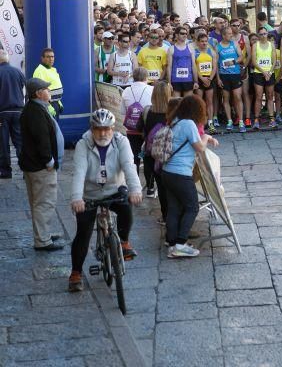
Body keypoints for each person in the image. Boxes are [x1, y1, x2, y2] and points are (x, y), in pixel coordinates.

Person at [68, 109, 142, 292]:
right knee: (83, 235)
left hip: (114, 188)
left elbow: (129, 166)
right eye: (98, 129)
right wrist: (77, 198)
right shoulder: (83, 145)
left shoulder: (121, 142)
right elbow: (79, 172)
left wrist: (136, 189)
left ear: (112, 128)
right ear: (92, 129)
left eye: (107, 129)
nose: (103, 133)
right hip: (90, 193)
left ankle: (124, 241)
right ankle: (76, 273)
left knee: (126, 207)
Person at [20, 78, 64, 251]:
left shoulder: (35, 108)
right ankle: (42, 240)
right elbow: (42, 139)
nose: (49, 91)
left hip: (33, 164)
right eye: (46, 89)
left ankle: (43, 234)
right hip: (40, 167)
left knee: (39, 202)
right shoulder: (36, 112)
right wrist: (49, 161)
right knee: (44, 203)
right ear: (38, 93)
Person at [162, 95, 209, 258]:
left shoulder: (175, 121)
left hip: (167, 171)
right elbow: (200, 147)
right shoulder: (188, 124)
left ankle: (172, 242)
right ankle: (181, 244)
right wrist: (207, 137)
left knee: (174, 209)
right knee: (192, 207)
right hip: (181, 173)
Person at [136, 80, 172, 205]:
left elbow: (138, 128)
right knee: (166, 188)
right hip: (168, 154)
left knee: (160, 187)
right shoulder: (173, 113)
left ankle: (151, 190)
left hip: (150, 153)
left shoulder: (146, 111)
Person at [121, 67, 153, 173]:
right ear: (146, 77)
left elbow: (122, 111)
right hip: (147, 129)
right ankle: (150, 187)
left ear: (133, 77)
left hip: (131, 129)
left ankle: (135, 184)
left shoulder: (126, 91)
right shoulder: (151, 89)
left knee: (134, 156)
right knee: (148, 157)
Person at [0, 50, 25, 178]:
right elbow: (22, 87)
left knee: (3, 143)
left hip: (2, 112)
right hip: (18, 111)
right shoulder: (18, 72)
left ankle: (5, 171)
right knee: (19, 141)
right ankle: (26, 169)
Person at [216, 26, 245, 133]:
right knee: (226, 98)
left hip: (235, 74)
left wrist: (233, 62)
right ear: (223, 35)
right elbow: (216, 64)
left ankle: (241, 120)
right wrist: (218, 79)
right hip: (224, 76)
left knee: (237, 97)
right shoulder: (218, 47)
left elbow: (241, 57)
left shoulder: (234, 44)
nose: (231, 35)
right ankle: (229, 121)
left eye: (231, 33)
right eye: (229, 34)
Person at [252, 27, 277, 129]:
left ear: (267, 34)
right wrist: (264, 72)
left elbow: (274, 61)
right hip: (259, 73)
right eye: (261, 34)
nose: (263, 36)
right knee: (258, 96)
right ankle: (256, 119)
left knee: (270, 96)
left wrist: (269, 72)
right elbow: (254, 61)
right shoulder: (255, 45)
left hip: (269, 73)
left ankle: (272, 119)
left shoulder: (271, 45)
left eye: (265, 34)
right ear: (258, 35)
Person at [194, 33, 217, 133]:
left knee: (209, 101)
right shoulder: (195, 53)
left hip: (209, 78)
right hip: (200, 79)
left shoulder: (211, 51)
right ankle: (200, 123)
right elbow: (194, 68)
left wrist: (210, 79)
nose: (204, 43)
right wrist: (202, 79)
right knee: (199, 102)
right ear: (198, 42)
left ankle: (210, 122)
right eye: (202, 41)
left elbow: (214, 66)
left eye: (205, 41)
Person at [231, 19, 252, 127]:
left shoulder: (245, 38)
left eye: (238, 25)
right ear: (230, 26)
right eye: (234, 25)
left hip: (242, 69)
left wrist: (244, 66)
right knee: (235, 95)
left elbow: (249, 55)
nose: (236, 27)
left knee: (245, 93)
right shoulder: (228, 38)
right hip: (231, 70)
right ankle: (239, 117)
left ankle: (247, 118)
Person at [167, 27, 199, 97]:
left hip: (188, 80)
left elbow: (193, 65)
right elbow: (169, 67)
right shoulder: (171, 49)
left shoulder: (190, 48)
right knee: (176, 104)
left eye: (186, 33)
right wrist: (169, 83)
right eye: (182, 33)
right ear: (176, 35)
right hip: (175, 80)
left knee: (188, 104)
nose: (185, 35)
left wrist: (196, 81)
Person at [33, 48, 64, 119]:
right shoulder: (40, 71)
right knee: (51, 129)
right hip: (48, 105)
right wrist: (48, 106)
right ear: (42, 58)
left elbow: (54, 86)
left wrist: (58, 101)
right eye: (48, 57)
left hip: (55, 103)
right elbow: (39, 91)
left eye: (52, 57)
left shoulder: (53, 69)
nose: (51, 59)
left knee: (55, 128)